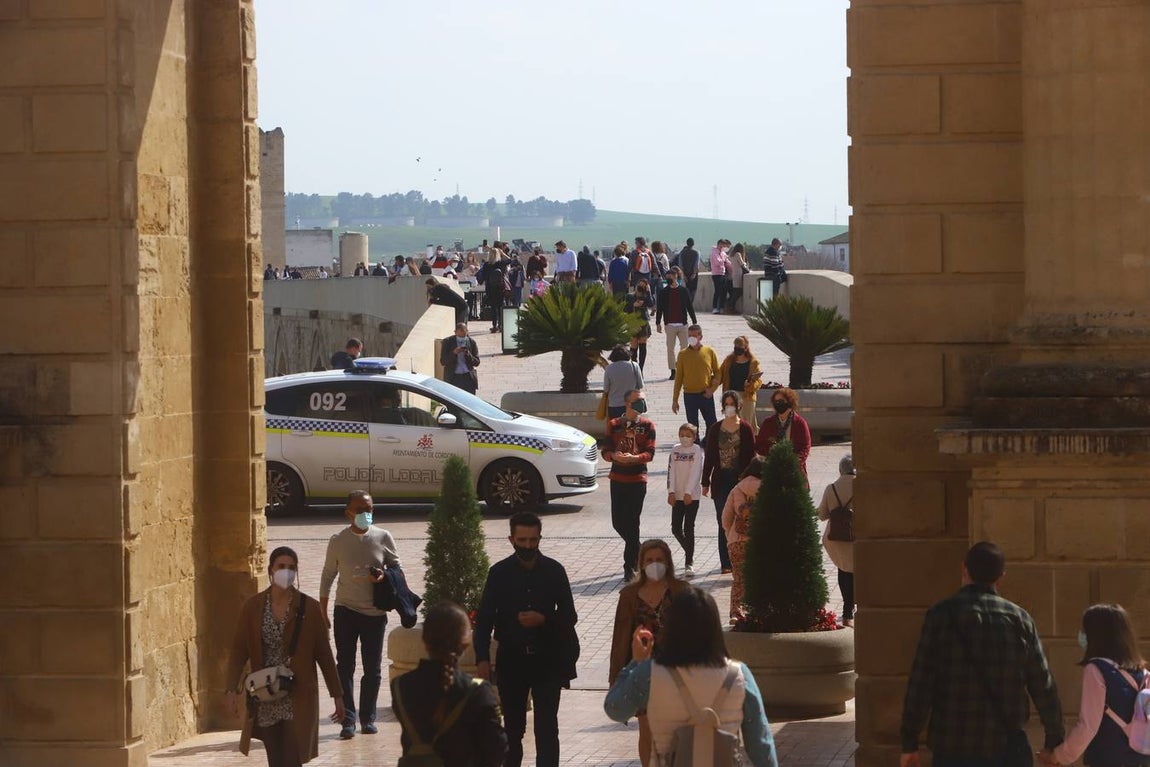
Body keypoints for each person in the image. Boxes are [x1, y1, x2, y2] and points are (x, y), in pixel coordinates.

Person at [900, 542, 1064, 767]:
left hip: (953, 745)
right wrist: (1054, 740)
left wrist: (909, 741)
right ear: (1001, 576)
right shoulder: (1019, 619)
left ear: (964, 569)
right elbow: (1043, 684)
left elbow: (921, 683)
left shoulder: (940, 615)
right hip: (1007, 746)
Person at [604, 586, 778, 767]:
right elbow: (761, 746)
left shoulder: (651, 673)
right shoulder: (739, 675)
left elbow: (615, 708)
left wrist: (636, 663)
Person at [474, 512, 578, 767]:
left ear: (540, 538)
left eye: (533, 540)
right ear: (511, 539)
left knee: (546, 729)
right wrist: (482, 659)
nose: (528, 546)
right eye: (523, 540)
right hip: (512, 661)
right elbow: (485, 619)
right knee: (512, 729)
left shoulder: (554, 571)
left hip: (548, 660)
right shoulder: (499, 573)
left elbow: (569, 615)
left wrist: (544, 619)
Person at [227, 547, 344, 767]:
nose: (286, 572)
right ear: (271, 569)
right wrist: (231, 690)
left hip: (297, 694)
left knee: (292, 756)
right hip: (266, 692)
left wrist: (337, 695)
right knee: (276, 758)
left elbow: (325, 655)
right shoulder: (253, 607)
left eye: (291, 568)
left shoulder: (310, 608)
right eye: (281, 566)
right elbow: (238, 650)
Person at [319, 491, 402, 739]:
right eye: (359, 509)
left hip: (374, 614)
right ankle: (348, 719)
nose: (365, 514)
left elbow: (398, 571)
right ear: (348, 513)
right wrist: (322, 610)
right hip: (345, 610)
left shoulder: (383, 537)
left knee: (372, 668)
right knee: (344, 666)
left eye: (369, 509)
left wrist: (383, 577)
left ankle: (368, 718)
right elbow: (327, 576)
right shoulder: (337, 540)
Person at [391, 602, 507, 767]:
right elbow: (496, 749)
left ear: (424, 640)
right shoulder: (477, 692)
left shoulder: (400, 686)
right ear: (465, 642)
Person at [609, 539, 690, 767]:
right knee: (646, 728)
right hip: (641, 671)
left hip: (675, 672)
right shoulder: (629, 595)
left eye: (660, 560)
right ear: (641, 564)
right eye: (650, 560)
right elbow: (620, 638)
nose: (655, 564)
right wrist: (617, 677)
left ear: (668, 562)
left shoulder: (681, 591)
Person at [1050, 604, 1148, 767]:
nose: (1081, 634)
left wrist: (1060, 756)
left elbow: (1088, 726)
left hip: (1107, 758)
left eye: (1084, 629)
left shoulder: (1096, 670)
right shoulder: (1143, 672)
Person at [599, 389, 657, 583]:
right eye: (638, 400)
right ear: (628, 403)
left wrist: (635, 458)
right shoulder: (614, 424)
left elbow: (650, 453)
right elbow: (605, 449)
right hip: (617, 479)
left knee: (633, 522)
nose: (642, 403)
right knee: (618, 522)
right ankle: (640, 552)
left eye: (643, 400)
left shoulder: (647, 425)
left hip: (637, 479)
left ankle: (629, 565)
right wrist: (613, 456)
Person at [702, 390, 755, 576]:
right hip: (720, 481)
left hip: (740, 481)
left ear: (739, 406)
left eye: (732, 403)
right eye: (726, 404)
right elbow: (709, 456)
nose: (729, 407)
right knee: (723, 520)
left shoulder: (746, 428)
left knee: (740, 519)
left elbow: (751, 457)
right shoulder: (716, 429)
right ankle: (726, 562)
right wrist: (705, 481)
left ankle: (741, 558)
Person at [721, 456, 766, 619]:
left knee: (739, 579)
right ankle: (757, 611)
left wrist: (731, 535)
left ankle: (735, 612)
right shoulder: (767, 489)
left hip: (737, 542)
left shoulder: (736, 489)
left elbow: (726, 518)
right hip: (759, 542)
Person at [816, 454, 856, 626]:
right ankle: (855, 609)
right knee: (858, 572)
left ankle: (847, 614)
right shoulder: (862, 486)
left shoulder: (831, 488)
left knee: (843, 570)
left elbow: (822, 515)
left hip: (837, 538)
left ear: (840, 470)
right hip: (857, 537)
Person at [666, 423, 704, 578]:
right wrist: (671, 492)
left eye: (688, 435)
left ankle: (689, 562)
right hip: (678, 495)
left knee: (688, 527)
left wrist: (688, 492)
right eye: (682, 434)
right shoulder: (675, 450)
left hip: (692, 496)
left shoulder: (697, 451)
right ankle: (689, 549)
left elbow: (696, 472)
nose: (684, 438)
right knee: (676, 528)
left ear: (694, 437)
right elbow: (671, 471)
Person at [671, 324, 720, 440]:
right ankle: (696, 446)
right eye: (689, 336)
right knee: (692, 426)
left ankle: (708, 443)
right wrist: (675, 400)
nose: (691, 338)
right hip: (689, 395)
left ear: (700, 337)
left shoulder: (709, 351)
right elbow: (678, 378)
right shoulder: (683, 354)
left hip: (705, 394)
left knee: (712, 423)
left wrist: (712, 389)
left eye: (694, 335)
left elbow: (718, 372)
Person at [754, 386, 811, 482]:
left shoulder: (800, 423)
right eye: (775, 402)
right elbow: (760, 445)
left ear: (789, 402)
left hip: (794, 472)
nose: (778, 404)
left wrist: (793, 463)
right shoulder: (768, 423)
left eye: (781, 401)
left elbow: (805, 447)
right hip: (772, 471)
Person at [655, 266, 698, 381]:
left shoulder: (683, 291)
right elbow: (660, 308)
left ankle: (682, 368)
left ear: (676, 277)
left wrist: (694, 321)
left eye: (670, 277)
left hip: (683, 324)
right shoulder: (663, 292)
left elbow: (689, 306)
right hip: (670, 325)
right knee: (670, 348)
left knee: (684, 348)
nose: (668, 279)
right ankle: (673, 370)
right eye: (667, 277)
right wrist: (658, 323)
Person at [719, 335, 764, 436]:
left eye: (740, 346)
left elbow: (758, 382)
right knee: (731, 421)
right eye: (735, 346)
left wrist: (750, 384)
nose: (737, 348)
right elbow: (720, 375)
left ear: (746, 347)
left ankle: (750, 443)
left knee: (747, 424)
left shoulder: (753, 362)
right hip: (730, 396)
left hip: (746, 397)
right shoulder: (728, 360)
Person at [603, 345, 644, 420]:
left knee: (616, 428)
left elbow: (606, 389)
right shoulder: (634, 366)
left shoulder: (609, 368)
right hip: (632, 405)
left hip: (615, 405)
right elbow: (640, 385)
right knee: (631, 429)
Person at [440, 322, 481, 394]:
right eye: (460, 337)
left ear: (467, 332)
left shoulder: (471, 342)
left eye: (464, 337)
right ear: (455, 332)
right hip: (453, 377)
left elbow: (477, 362)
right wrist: (454, 353)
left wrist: (468, 355)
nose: (462, 340)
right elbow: (443, 361)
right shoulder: (447, 342)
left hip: (468, 377)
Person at [479, 248, 511, 333]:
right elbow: (509, 260)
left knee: (493, 308)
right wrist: (502, 253)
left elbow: (485, 277)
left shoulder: (486, 265)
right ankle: (501, 325)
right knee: (500, 306)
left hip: (490, 288)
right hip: (500, 288)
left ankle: (494, 326)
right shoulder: (500, 264)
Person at [626, 278, 655, 372]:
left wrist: (649, 292)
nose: (641, 288)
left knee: (643, 346)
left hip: (643, 323)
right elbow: (625, 309)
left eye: (643, 286)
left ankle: (641, 368)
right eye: (640, 285)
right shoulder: (630, 296)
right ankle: (634, 368)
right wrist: (633, 305)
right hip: (633, 323)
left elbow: (651, 304)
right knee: (633, 347)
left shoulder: (646, 297)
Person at [709, 239, 730, 314]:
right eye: (723, 246)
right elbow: (717, 262)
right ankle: (715, 307)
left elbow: (727, 262)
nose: (724, 247)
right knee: (717, 291)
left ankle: (721, 307)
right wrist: (724, 260)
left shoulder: (723, 253)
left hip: (723, 273)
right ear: (719, 244)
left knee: (724, 291)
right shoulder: (714, 253)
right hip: (716, 274)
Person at [727, 243, 749, 313]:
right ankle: (730, 306)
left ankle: (730, 306)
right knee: (738, 291)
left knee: (736, 290)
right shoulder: (738, 254)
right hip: (738, 274)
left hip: (734, 274)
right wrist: (746, 264)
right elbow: (742, 264)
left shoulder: (731, 255)